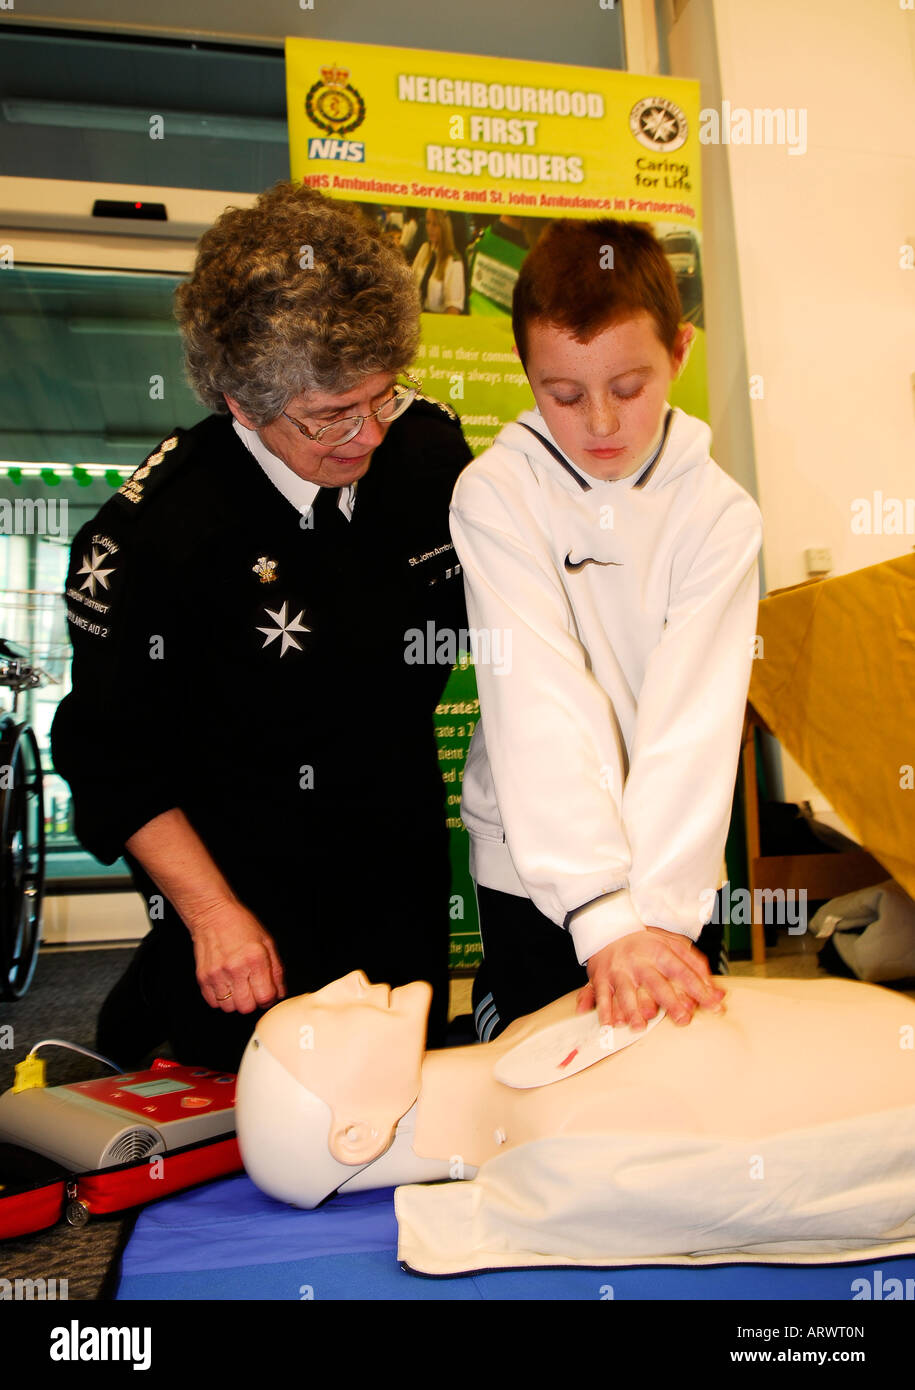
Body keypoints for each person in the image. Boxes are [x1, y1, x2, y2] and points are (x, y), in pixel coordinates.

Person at [51, 182, 473, 1071]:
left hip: (397, 866)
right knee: (259, 1136)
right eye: (329, 417)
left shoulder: (428, 456)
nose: (365, 436)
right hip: (242, 897)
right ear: (240, 404)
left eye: (382, 397)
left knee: (397, 1115)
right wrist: (210, 915)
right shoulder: (153, 536)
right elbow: (105, 755)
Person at [448, 218, 764, 1039]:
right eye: (562, 394)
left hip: (674, 862)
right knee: (540, 1068)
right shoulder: (494, 495)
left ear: (680, 353)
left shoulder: (719, 513)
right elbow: (538, 699)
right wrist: (600, 916)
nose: (598, 423)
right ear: (525, 373)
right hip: (535, 867)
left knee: (673, 1078)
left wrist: (656, 916)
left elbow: (692, 724)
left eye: (627, 388)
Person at [235, 969, 915, 1272]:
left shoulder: (525, 1036)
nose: (345, 982)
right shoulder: (563, 1148)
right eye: (319, 1018)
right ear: (357, 1135)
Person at [411, 209, 466, 314]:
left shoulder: (453, 261)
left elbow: (453, 309)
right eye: (428, 222)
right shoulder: (424, 249)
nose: (429, 228)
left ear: (445, 227)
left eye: (435, 224)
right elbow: (410, 283)